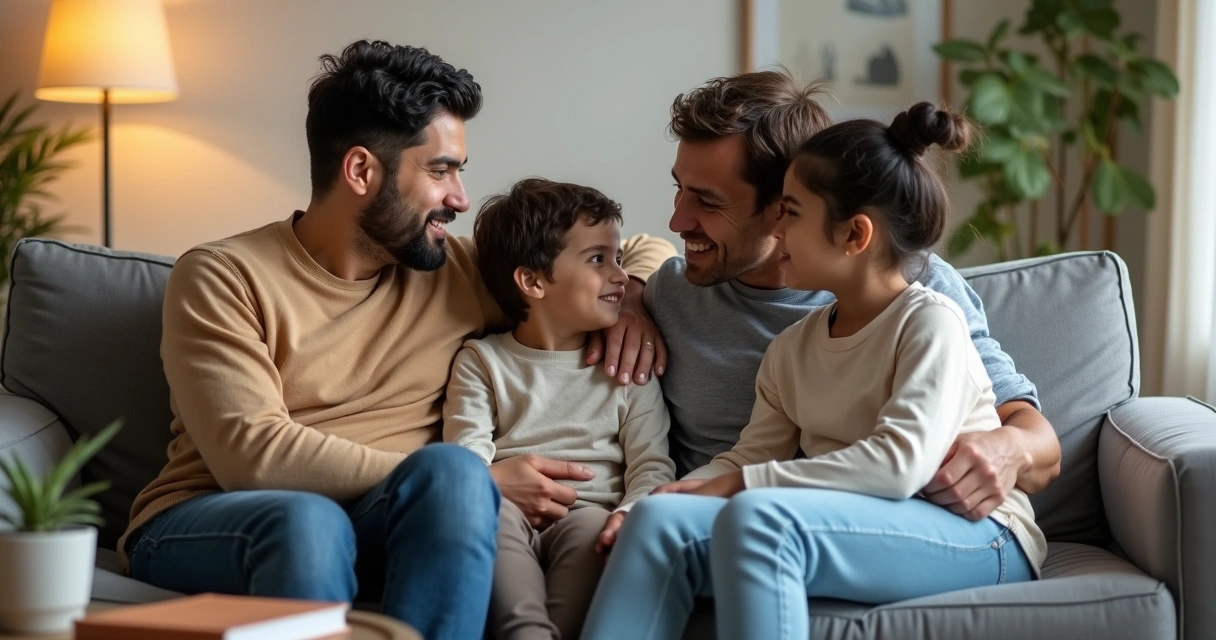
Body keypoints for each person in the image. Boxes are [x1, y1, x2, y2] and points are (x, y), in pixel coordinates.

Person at [118, 41, 674, 640]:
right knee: (326, 518)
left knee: (452, 479)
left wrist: (636, 296)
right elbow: (251, 454)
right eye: (440, 170)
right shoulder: (223, 274)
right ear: (361, 171)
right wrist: (465, 480)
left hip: (394, 516)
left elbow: (627, 249)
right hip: (219, 517)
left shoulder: (453, 269)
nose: (460, 197)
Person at [582, 103, 1046, 640]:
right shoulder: (793, 349)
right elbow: (752, 453)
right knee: (657, 524)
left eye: (793, 214)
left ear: (854, 236)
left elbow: (900, 465)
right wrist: (657, 500)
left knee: (759, 520)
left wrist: (738, 485)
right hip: (851, 521)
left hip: (978, 532)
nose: (779, 230)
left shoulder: (931, 322)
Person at [444, 178, 676, 639]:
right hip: (507, 507)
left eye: (619, 259)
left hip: (594, 513)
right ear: (531, 280)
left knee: (591, 529)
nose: (621, 276)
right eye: (597, 259)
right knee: (486, 516)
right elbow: (467, 457)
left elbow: (652, 466)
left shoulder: (625, 367)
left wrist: (627, 517)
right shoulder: (482, 361)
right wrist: (487, 493)